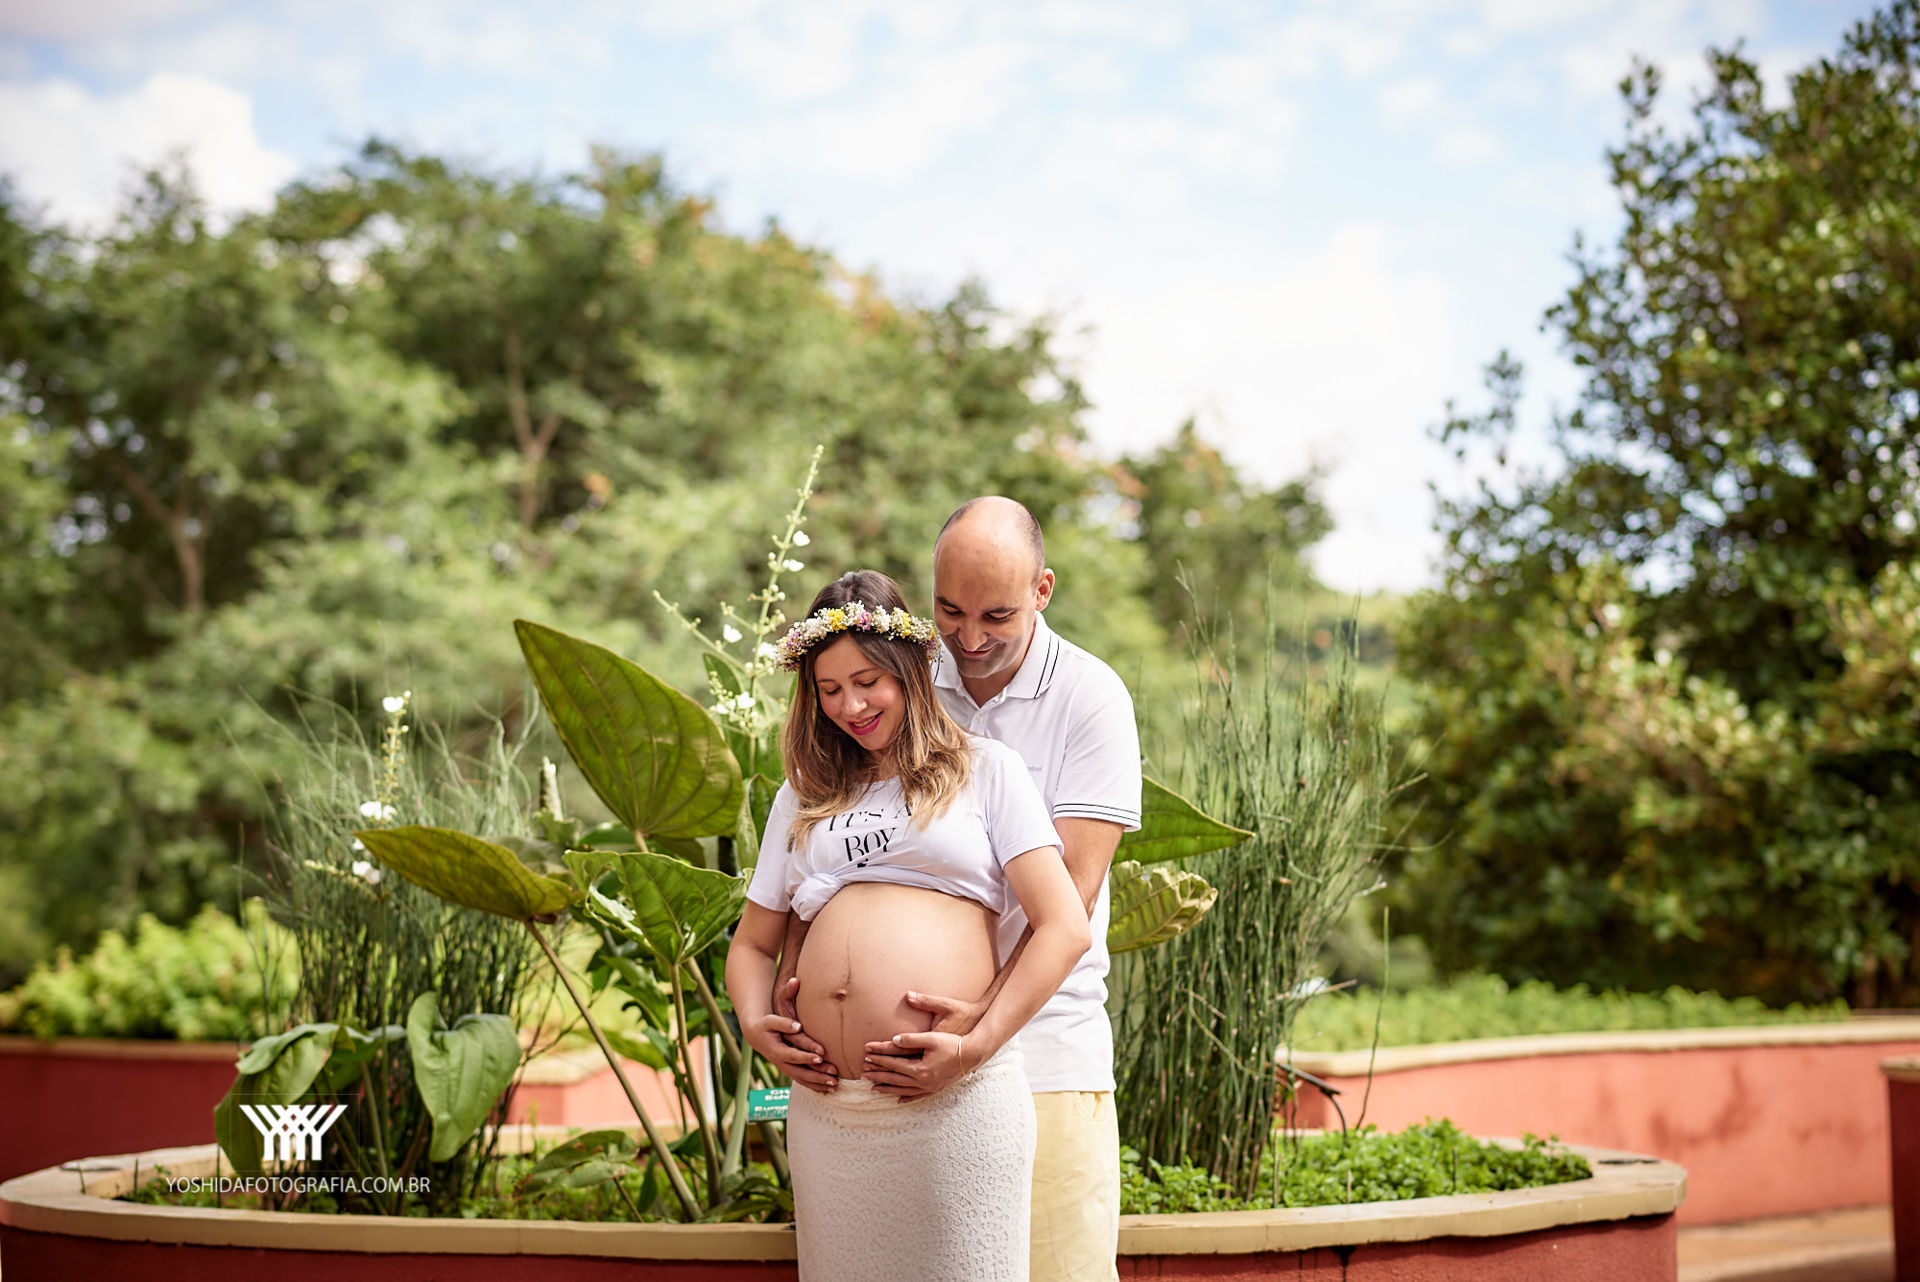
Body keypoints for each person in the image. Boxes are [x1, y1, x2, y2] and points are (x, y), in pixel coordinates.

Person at [776, 498, 1144, 1282]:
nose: (970, 638)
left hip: (1043, 1050)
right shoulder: (896, 679)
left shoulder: (1091, 697)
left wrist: (979, 1031)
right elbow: (835, 860)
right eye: (950, 611)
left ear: (1043, 590)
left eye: (997, 615)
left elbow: (1070, 898)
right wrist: (794, 982)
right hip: (878, 1086)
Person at [725, 568, 1091, 1282]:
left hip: (953, 1100)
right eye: (828, 690)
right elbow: (752, 944)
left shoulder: (986, 770)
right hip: (830, 1111)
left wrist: (977, 1045)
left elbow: (1064, 927)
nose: (850, 706)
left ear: (912, 668)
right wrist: (753, 1020)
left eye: (868, 682)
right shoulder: (802, 795)